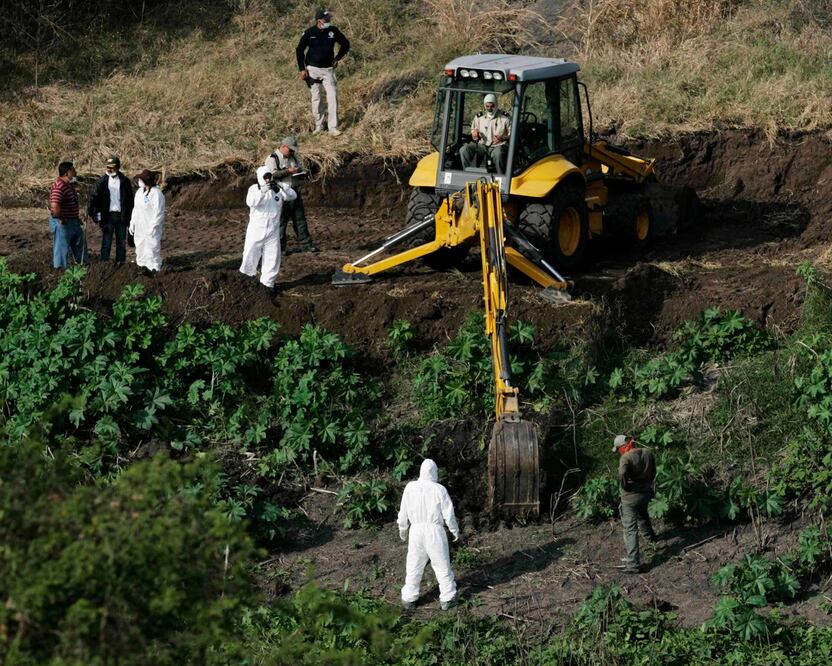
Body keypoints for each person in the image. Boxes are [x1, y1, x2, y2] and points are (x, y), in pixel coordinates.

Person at [397, 459, 460, 611]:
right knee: (441, 564)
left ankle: (409, 598)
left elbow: (403, 511)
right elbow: (449, 514)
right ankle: (448, 597)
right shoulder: (439, 489)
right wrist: (454, 531)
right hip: (435, 532)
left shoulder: (410, 487)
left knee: (414, 564)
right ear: (434, 472)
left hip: (416, 531)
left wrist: (403, 529)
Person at [240, 166, 296, 292]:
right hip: (256, 230)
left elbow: (292, 196)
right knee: (250, 255)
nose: (267, 179)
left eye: (268, 176)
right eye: (265, 177)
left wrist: (280, 188)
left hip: (273, 231)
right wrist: (263, 191)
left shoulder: (277, 189)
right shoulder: (254, 189)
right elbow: (250, 202)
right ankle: (246, 280)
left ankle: (268, 285)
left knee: (272, 258)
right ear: (260, 177)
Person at [296, 8, 350, 137]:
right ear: (319, 21)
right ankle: (319, 126)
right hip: (312, 70)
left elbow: (346, 44)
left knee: (332, 97)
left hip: (328, 70)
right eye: (326, 20)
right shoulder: (309, 33)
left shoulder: (333, 31)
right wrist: (302, 69)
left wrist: (337, 58)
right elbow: (299, 50)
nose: (329, 21)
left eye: (329, 19)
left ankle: (333, 127)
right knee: (316, 98)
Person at [264, 136, 318, 253]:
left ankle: (306, 245)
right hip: (280, 194)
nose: (292, 152)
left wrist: (303, 174)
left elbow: (298, 170)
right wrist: (288, 171)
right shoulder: (272, 158)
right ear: (283, 146)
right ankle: (279, 248)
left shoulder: (293, 157)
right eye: (290, 150)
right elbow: (271, 175)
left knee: (300, 220)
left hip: (294, 192)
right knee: (281, 222)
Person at [614, 434, 657, 574]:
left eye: (618, 449)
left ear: (622, 447)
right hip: (645, 493)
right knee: (643, 514)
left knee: (630, 529)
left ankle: (633, 564)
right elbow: (653, 472)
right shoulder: (647, 452)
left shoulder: (625, 458)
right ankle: (651, 539)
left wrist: (626, 486)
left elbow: (622, 474)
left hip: (630, 498)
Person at [88, 156, 134, 263]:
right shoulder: (101, 182)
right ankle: (104, 263)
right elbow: (94, 197)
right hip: (107, 216)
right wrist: (93, 213)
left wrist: (129, 216)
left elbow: (130, 200)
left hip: (120, 216)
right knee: (106, 242)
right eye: (108, 167)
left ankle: (120, 263)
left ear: (118, 167)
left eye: (112, 168)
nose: (109, 170)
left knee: (121, 242)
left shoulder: (125, 181)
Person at [49, 161, 87, 269]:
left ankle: (82, 268)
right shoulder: (59, 186)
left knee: (80, 244)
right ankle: (60, 271)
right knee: (61, 248)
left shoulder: (68, 185)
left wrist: (76, 217)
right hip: (63, 223)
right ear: (67, 173)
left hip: (72, 221)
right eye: (73, 170)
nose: (75, 172)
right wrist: (62, 219)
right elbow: (55, 207)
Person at [460, 94, 511, 173]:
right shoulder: (479, 117)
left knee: (499, 154)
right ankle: (467, 173)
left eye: (492, 106)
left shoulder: (505, 118)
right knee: (464, 150)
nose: (489, 109)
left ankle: (501, 177)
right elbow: (474, 129)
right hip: (482, 145)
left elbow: (512, 135)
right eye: (487, 106)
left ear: (496, 104)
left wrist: (502, 138)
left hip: (498, 146)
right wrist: (475, 133)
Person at [129, 169, 165, 274]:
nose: (139, 181)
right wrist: (133, 222)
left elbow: (159, 213)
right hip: (140, 226)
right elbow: (135, 209)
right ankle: (141, 266)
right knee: (140, 246)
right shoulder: (139, 193)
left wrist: (153, 227)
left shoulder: (157, 194)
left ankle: (154, 269)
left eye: (141, 179)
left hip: (151, 227)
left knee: (152, 248)